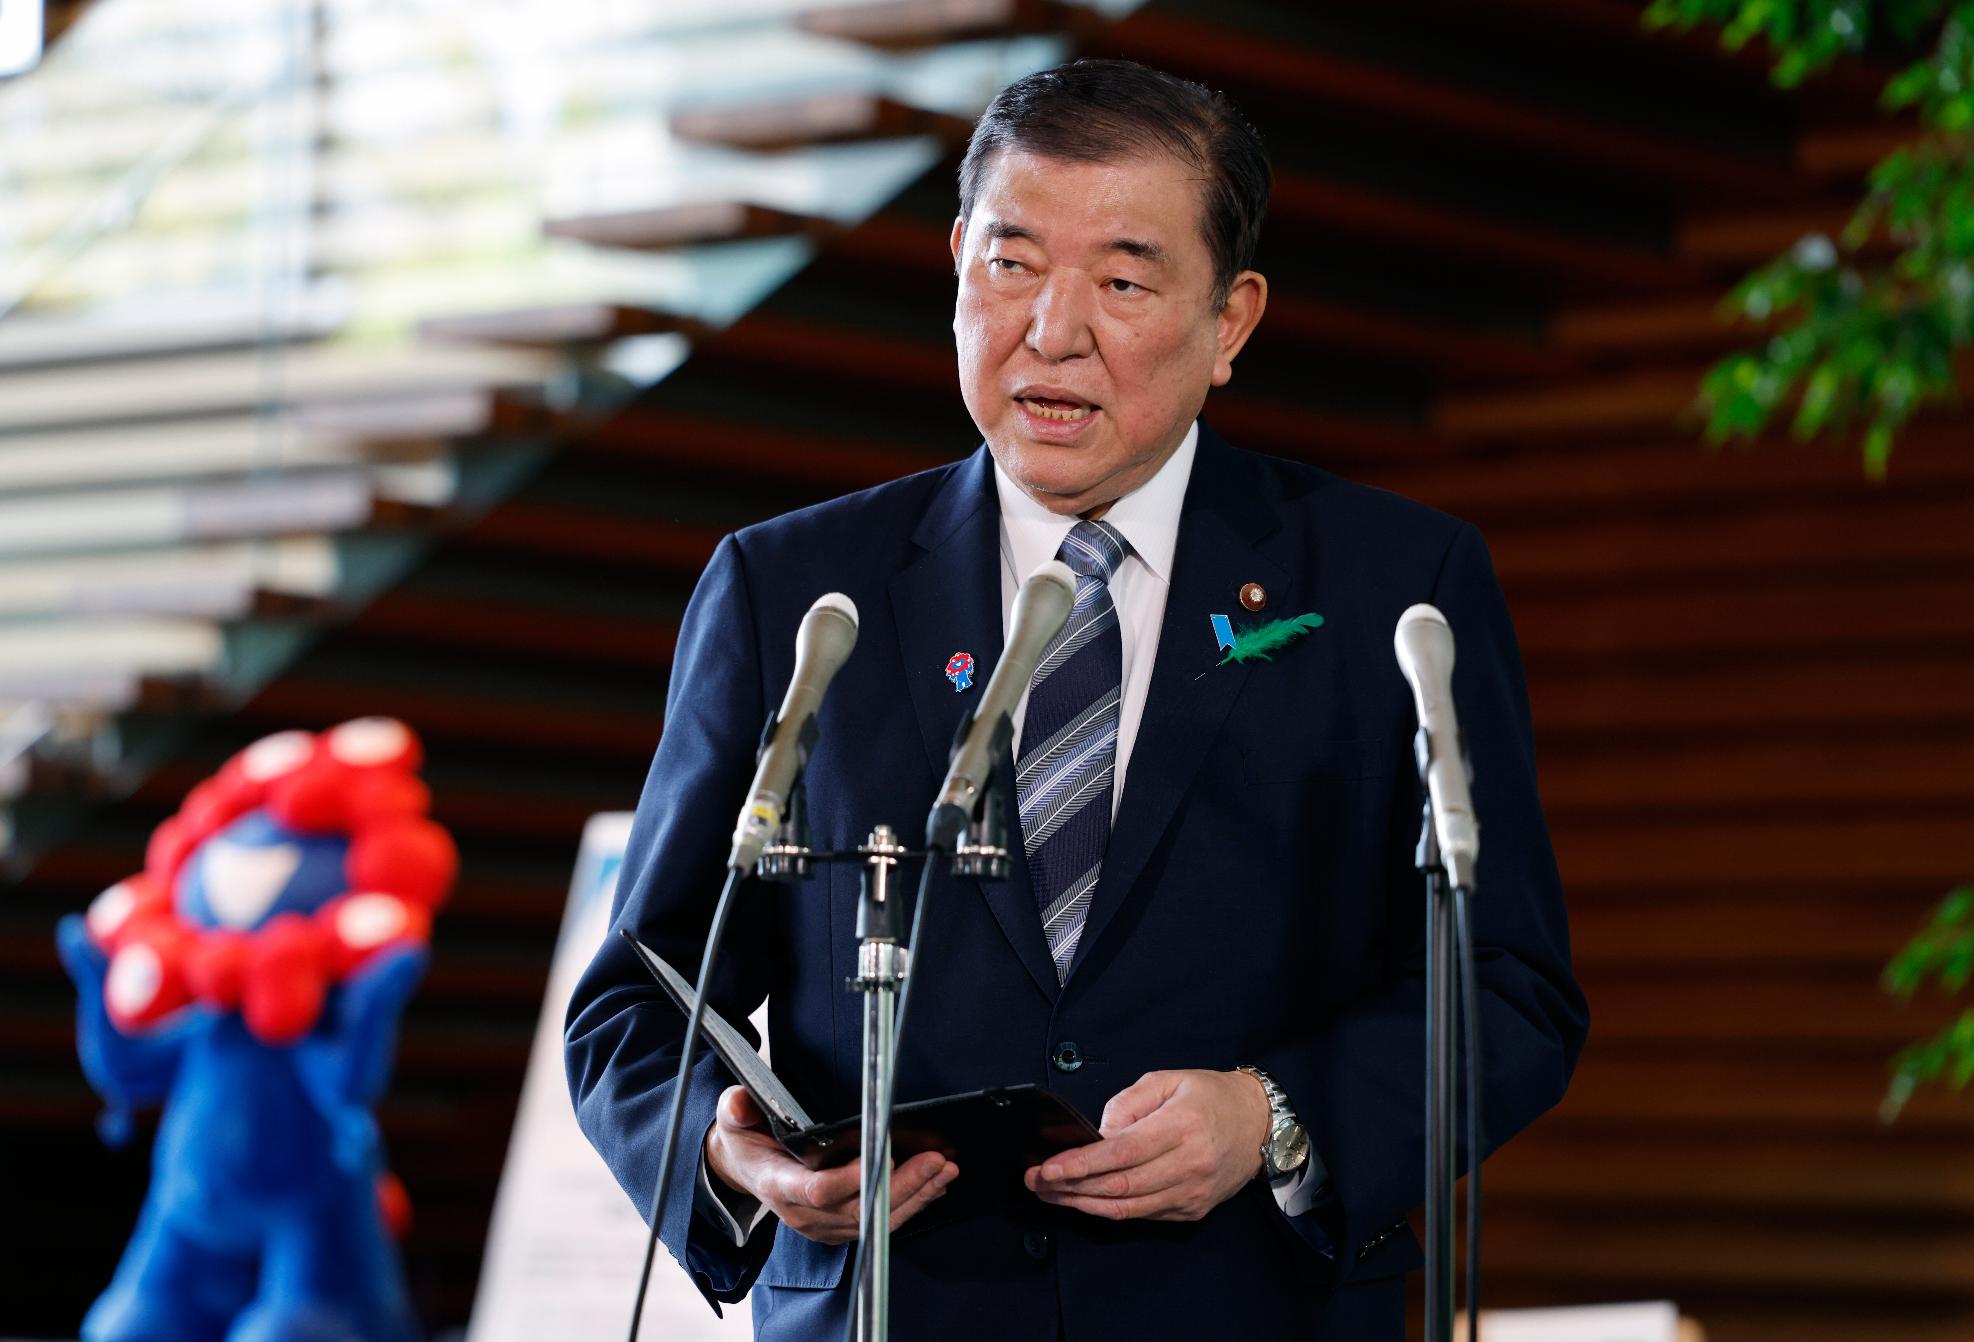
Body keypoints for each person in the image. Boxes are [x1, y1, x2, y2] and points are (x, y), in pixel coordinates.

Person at [565, 58, 1587, 1341]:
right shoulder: (795, 592)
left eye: (1122, 278)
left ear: (1230, 322)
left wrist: (1276, 1116)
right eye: (1010, 263)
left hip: (1248, 1307)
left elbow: (1511, 987)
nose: (1053, 328)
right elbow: (637, 1001)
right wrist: (736, 1160)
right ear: (953, 268)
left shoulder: (1395, 585)